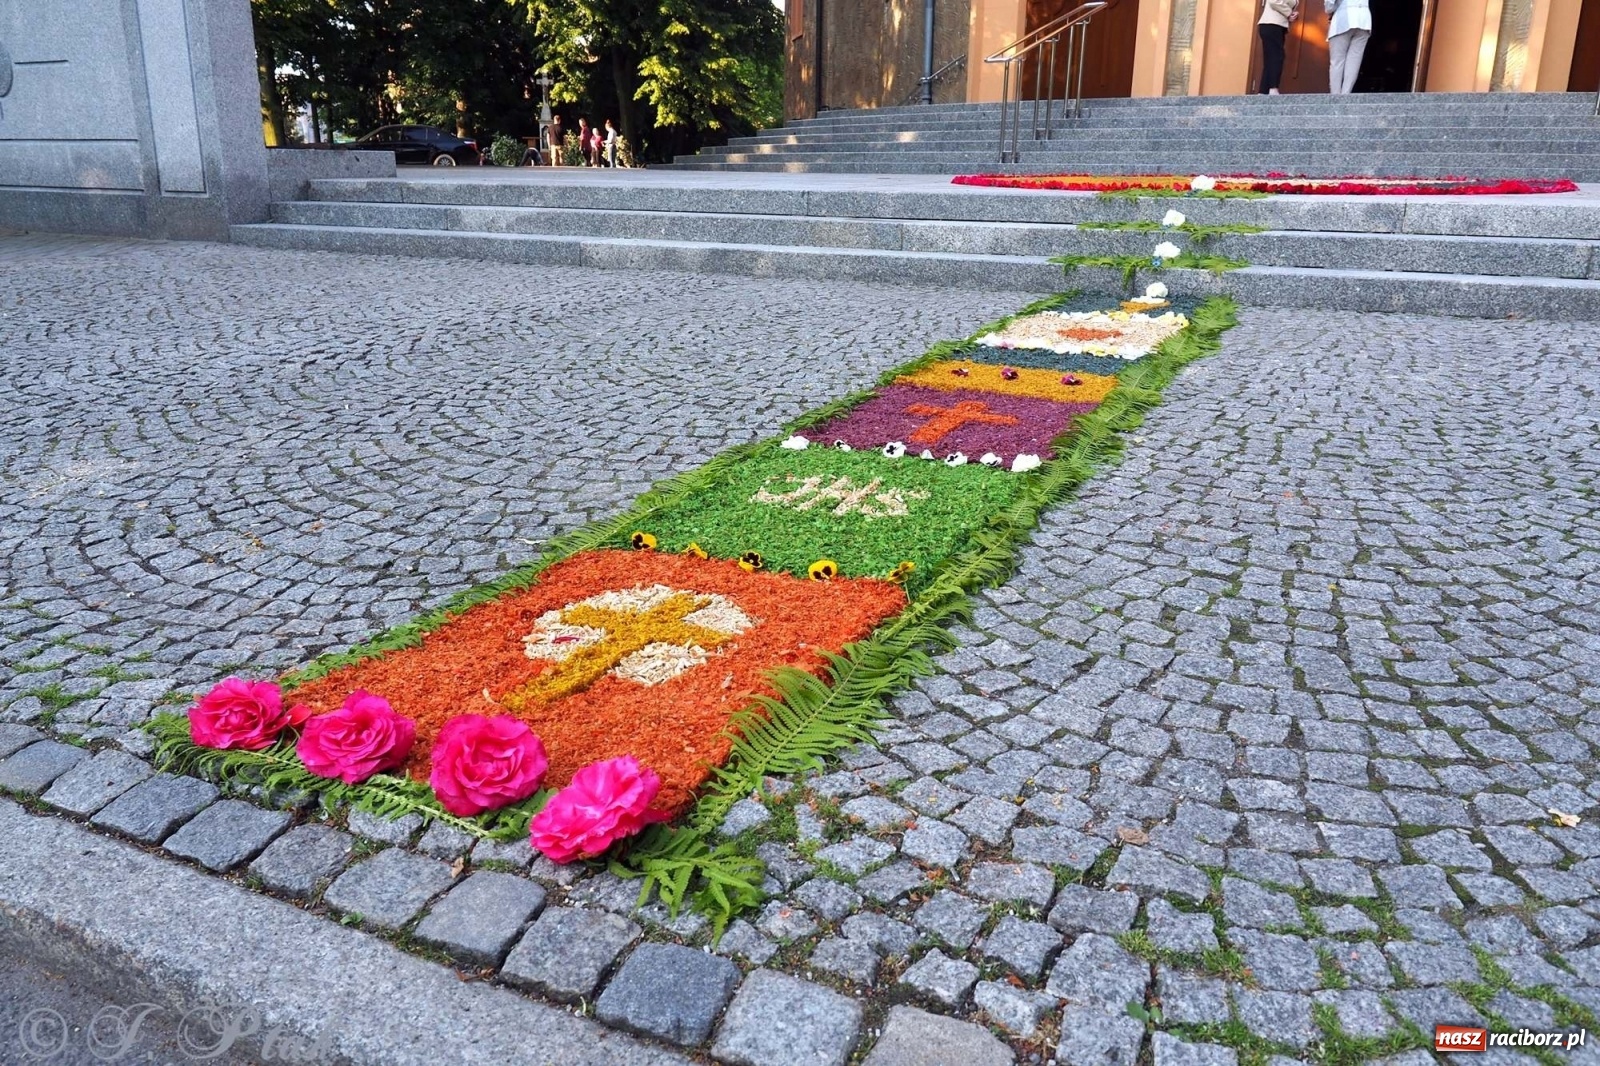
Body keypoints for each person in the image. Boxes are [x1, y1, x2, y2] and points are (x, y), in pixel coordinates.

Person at [1325, 0, 1371, 94]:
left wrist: (1330, 10)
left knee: (1337, 61)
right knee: (1354, 61)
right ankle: (1346, 94)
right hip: (1364, 20)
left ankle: (1336, 95)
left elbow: (1329, 5)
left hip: (1344, 18)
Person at [1257, 0, 1298, 94]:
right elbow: (1274, 1)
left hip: (1276, 25)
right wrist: (1289, 13)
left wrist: (1292, 13)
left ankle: (1263, 91)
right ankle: (1273, 89)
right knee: (1277, 57)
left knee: (1271, 59)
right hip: (1272, 24)